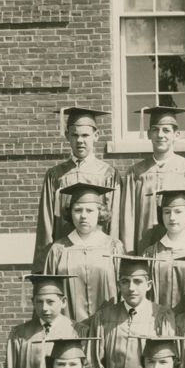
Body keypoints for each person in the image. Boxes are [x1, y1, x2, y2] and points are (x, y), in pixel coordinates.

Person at [33, 106, 121, 272]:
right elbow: (45, 225)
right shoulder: (55, 175)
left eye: (85, 135)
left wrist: (113, 259)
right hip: (64, 258)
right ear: (67, 136)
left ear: (96, 136)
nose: (80, 140)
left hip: (100, 258)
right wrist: (43, 271)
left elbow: (114, 221)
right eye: (75, 135)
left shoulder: (109, 174)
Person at [84, 255, 177, 368]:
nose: (131, 288)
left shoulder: (162, 317)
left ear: (149, 285)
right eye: (125, 282)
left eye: (138, 281)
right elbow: (93, 363)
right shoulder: (103, 318)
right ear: (118, 285)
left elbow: (166, 363)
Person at [112, 106, 185, 253]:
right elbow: (127, 220)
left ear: (177, 134)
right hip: (143, 248)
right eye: (155, 130)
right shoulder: (136, 173)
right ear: (149, 134)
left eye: (166, 130)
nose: (160, 135)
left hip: (181, 250)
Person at [42, 182, 123, 323]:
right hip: (68, 330)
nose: (83, 216)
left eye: (89, 210)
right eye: (78, 210)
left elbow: (123, 290)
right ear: (70, 213)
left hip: (107, 327)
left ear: (100, 213)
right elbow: (48, 292)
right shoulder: (58, 249)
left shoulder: (113, 247)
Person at [140, 189, 185, 312]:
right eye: (167, 212)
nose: (172, 217)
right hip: (157, 323)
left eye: (178, 212)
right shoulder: (151, 253)